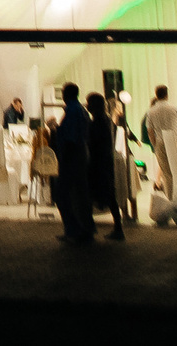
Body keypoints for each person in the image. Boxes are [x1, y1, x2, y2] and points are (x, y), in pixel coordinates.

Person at [52, 83, 93, 242]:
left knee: (62, 195)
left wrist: (55, 129)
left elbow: (69, 136)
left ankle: (74, 229)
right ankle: (84, 229)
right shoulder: (81, 111)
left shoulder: (72, 111)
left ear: (66, 94)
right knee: (80, 194)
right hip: (81, 155)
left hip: (72, 157)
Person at [85, 92, 125, 240]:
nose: (87, 106)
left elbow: (93, 143)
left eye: (89, 103)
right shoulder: (105, 120)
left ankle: (90, 228)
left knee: (94, 194)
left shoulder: (97, 122)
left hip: (98, 163)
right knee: (109, 195)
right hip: (104, 162)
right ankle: (117, 228)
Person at [141, 86, 177, 194]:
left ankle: (170, 197)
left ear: (156, 95)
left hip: (160, 141)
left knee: (166, 173)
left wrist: (154, 144)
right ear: (166, 95)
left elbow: (150, 131)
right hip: (175, 139)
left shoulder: (151, 111)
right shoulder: (174, 108)